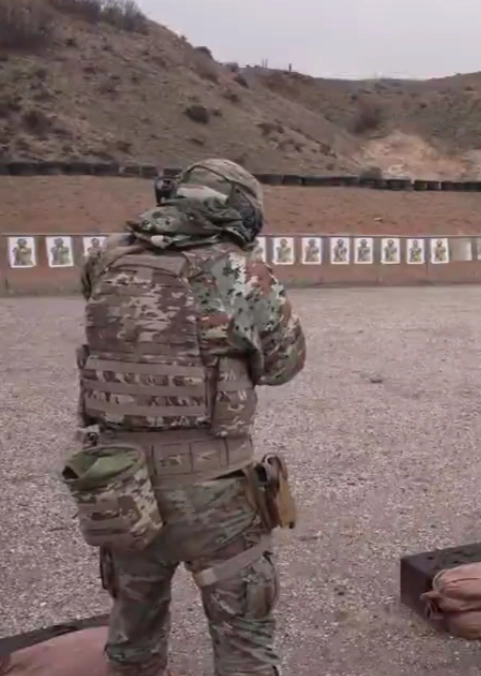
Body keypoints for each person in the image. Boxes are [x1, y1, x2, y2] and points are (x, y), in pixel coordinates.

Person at [75, 158, 306, 675]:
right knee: (244, 643)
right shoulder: (243, 271)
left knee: (133, 640)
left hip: (118, 482)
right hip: (215, 488)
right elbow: (283, 365)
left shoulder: (105, 259)